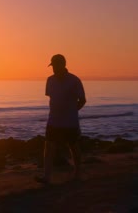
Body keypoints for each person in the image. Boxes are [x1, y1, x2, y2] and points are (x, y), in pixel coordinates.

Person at [36, 54, 86, 184]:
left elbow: (82, 100)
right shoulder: (50, 80)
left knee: (74, 147)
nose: (53, 69)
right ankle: (46, 177)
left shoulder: (74, 80)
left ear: (63, 65)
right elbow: (52, 97)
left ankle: (78, 174)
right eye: (52, 66)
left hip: (70, 121)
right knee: (49, 147)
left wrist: (72, 111)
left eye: (55, 66)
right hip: (53, 120)